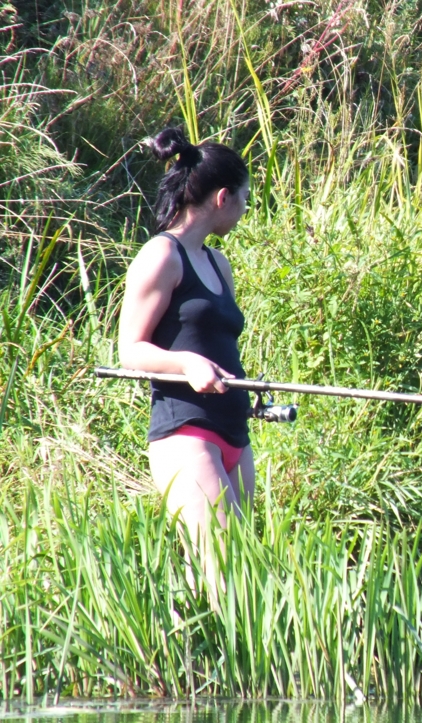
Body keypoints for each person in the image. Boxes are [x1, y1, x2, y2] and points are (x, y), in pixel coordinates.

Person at [118, 127, 253, 570]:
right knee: (225, 577)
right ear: (222, 198)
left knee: (248, 577)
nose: (246, 208)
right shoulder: (161, 255)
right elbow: (130, 350)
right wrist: (186, 363)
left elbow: (220, 343)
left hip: (235, 434)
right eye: (245, 197)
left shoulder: (219, 262)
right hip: (186, 434)